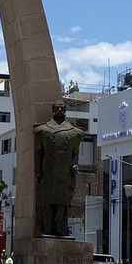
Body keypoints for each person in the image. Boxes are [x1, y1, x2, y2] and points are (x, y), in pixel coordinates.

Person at [32, 100, 83, 236]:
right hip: (48, 170)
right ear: (53, 110)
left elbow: (75, 153)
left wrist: (74, 164)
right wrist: (37, 171)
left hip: (64, 173)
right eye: (57, 108)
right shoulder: (43, 131)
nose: (60, 110)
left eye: (62, 108)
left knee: (62, 201)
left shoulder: (74, 132)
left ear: (66, 110)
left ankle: (59, 225)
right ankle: (48, 227)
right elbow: (38, 153)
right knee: (47, 201)